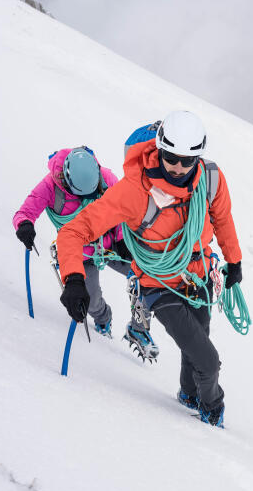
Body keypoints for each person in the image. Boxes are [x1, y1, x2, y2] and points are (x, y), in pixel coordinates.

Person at [55, 111, 243, 427]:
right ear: (159, 148)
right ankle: (213, 412)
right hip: (158, 283)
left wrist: (234, 261)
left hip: (199, 276)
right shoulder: (134, 191)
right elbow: (74, 232)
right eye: (171, 157)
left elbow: (222, 218)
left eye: (187, 160)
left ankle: (188, 395)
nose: (178, 167)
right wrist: (73, 277)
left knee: (196, 343)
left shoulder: (210, 178)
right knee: (209, 362)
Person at [12, 147, 160, 360]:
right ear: (67, 182)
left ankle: (139, 328)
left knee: (144, 276)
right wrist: (24, 225)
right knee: (90, 299)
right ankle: (103, 319)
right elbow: (25, 212)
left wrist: (121, 239)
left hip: (110, 245)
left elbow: (123, 208)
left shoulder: (104, 177)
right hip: (78, 252)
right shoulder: (49, 187)